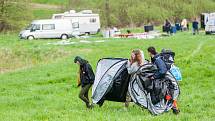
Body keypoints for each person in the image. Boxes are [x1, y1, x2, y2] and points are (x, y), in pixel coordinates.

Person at [147, 47, 180, 114]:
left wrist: (154, 76)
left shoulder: (158, 60)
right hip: (169, 79)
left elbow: (162, 71)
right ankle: (174, 109)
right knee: (169, 95)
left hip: (167, 80)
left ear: (149, 52)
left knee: (168, 95)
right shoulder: (157, 58)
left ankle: (174, 109)